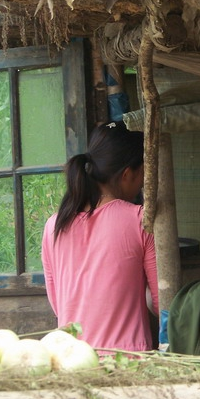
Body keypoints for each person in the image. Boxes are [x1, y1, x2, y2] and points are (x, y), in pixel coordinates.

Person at [41, 122, 159, 353]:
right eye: (142, 176)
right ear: (127, 174)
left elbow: (59, 305)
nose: (142, 185)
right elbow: (162, 303)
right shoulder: (140, 220)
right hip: (129, 364)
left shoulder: (53, 226)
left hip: (71, 361)